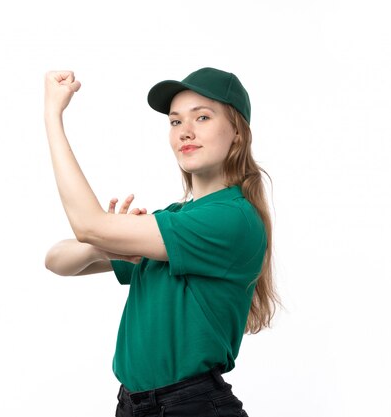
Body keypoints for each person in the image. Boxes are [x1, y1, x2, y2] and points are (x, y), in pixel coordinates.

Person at [43, 67, 279, 417]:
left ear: (237, 134)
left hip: (190, 407)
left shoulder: (231, 218)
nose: (186, 131)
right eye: (174, 121)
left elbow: (87, 224)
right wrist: (101, 244)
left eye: (202, 117)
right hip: (133, 406)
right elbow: (56, 260)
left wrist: (52, 116)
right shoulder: (173, 220)